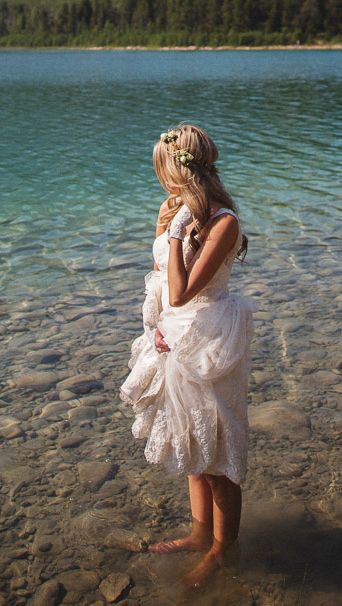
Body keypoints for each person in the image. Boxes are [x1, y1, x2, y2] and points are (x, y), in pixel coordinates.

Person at [120, 123, 252, 588]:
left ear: (181, 172)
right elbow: (159, 280)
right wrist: (155, 327)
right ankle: (200, 536)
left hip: (210, 340)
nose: (161, 186)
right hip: (173, 336)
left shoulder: (223, 223)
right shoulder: (171, 209)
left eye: (164, 175)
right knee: (192, 445)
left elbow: (181, 290)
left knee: (218, 457)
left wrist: (176, 234)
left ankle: (221, 550)